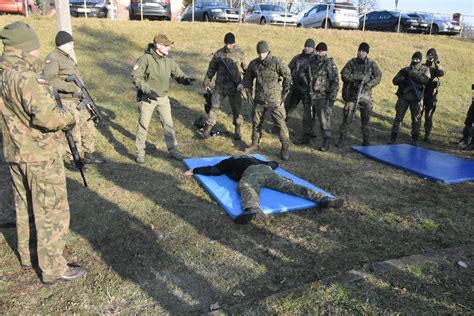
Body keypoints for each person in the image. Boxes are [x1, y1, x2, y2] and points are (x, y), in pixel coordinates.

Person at [0, 21, 85, 284]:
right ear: (25, 47)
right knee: (51, 211)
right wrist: (71, 115)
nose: (37, 52)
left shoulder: (3, 72)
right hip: (40, 154)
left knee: (24, 206)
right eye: (34, 47)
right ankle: (53, 268)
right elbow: (48, 118)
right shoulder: (25, 77)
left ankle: (28, 256)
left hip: (15, 152)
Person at [184, 155, 344, 224]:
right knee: (292, 186)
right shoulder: (254, 158)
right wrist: (275, 164)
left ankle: (252, 209)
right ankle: (324, 198)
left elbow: (213, 170)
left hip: (252, 173)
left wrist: (194, 170)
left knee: (247, 187)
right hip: (265, 170)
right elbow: (273, 164)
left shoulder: (227, 161)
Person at [44, 31, 105, 166]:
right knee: (73, 130)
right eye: (70, 43)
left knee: (87, 125)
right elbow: (50, 80)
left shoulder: (67, 57)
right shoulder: (53, 58)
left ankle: (89, 154)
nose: (72, 46)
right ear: (62, 44)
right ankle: (74, 160)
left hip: (79, 99)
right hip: (66, 100)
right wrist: (72, 88)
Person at [132, 34, 195, 163]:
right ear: (158, 46)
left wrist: (185, 80)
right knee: (143, 125)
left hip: (163, 99)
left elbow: (178, 74)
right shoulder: (145, 59)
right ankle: (140, 152)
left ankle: (173, 150)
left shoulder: (169, 61)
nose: (169, 48)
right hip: (147, 99)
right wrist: (147, 91)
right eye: (167, 46)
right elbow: (135, 77)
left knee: (168, 125)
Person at [243, 41, 292, 160]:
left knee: (280, 124)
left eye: (263, 53)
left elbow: (288, 76)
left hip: (274, 100)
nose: (261, 55)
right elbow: (247, 78)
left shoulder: (276, 62)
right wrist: (249, 93)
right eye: (259, 53)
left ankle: (285, 148)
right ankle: (255, 144)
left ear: (268, 52)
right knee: (256, 122)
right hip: (259, 100)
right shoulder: (254, 64)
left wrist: (284, 93)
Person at [201, 32, 248, 140]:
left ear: (234, 43)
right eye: (226, 44)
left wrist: (243, 84)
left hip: (235, 87)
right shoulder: (218, 54)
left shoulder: (241, 54)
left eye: (230, 44)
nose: (228, 46)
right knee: (214, 107)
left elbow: (247, 71)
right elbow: (211, 69)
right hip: (220, 86)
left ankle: (237, 129)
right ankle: (208, 128)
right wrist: (206, 82)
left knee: (236, 109)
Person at [336, 42, 382, 147]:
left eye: (364, 52)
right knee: (347, 115)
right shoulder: (351, 63)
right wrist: (356, 77)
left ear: (367, 53)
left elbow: (378, 76)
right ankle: (341, 138)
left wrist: (368, 84)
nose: (361, 53)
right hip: (352, 95)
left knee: (366, 119)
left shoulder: (372, 64)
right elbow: (344, 75)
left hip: (365, 96)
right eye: (360, 51)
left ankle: (366, 141)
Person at [389, 51, 430, 145]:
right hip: (403, 97)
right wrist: (403, 79)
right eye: (414, 59)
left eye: (417, 59)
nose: (415, 60)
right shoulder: (405, 70)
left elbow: (426, 80)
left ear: (420, 60)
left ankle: (415, 139)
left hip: (416, 98)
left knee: (416, 119)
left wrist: (413, 75)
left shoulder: (425, 70)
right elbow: (395, 80)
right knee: (398, 117)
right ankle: (393, 138)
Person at [286, 38, 319, 145]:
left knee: (307, 114)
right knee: (287, 107)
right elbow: (288, 69)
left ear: (313, 48)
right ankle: (278, 126)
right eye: (305, 46)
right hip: (295, 87)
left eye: (309, 47)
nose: (306, 48)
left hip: (307, 90)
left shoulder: (316, 59)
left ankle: (307, 134)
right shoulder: (297, 57)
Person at [309, 42, 339, 151]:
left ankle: (326, 140)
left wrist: (332, 98)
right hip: (312, 95)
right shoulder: (312, 62)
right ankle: (307, 136)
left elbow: (335, 82)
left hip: (323, 96)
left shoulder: (329, 64)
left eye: (320, 51)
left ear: (325, 52)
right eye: (317, 51)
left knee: (324, 119)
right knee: (309, 117)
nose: (318, 53)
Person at [421, 48, 444, 143]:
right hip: (421, 94)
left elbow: (441, 73)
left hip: (431, 96)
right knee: (418, 114)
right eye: (429, 55)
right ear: (426, 56)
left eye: (432, 55)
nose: (430, 56)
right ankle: (415, 133)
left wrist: (436, 62)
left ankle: (427, 135)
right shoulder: (421, 66)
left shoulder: (436, 68)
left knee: (429, 116)